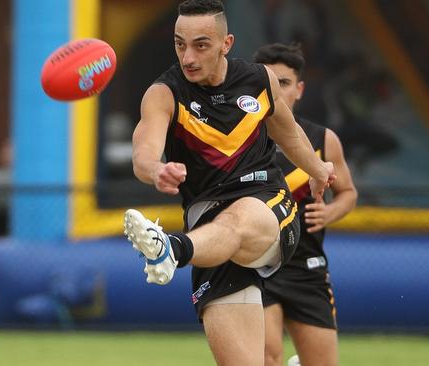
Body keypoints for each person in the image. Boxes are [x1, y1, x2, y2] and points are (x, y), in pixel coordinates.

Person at [122, 1, 335, 365]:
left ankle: (169, 249)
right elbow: (143, 153)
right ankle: (174, 249)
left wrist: (318, 171)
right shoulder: (165, 94)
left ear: (226, 43)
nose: (188, 57)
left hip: (267, 204)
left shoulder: (258, 80)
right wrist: (156, 171)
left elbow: (291, 136)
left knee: (237, 222)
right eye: (179, 44)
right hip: (207, 234)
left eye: (201, 45)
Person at [253, 43, 357, 366]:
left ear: (299, 90)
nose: (275, 90)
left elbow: (349, 193)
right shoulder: (242, 139)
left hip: (307, 268)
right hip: (258, 267)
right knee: (268, 356)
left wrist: (328, 212)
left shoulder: (323, 140)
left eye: (283, 83)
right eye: (268, 82)